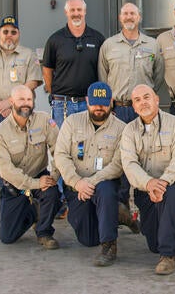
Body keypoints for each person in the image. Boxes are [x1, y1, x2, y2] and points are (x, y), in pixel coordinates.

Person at [54, 82, 138, 267]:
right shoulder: (71, 122)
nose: (99, 107)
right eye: (94, 103)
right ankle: (117, 214)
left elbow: (117, 165)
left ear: (111, 102)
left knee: (107, 191)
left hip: (102, 184)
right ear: (87, 101)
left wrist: (89, 183)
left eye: (103, 103)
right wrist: (77, 183)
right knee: (88, 239)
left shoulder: (122, 129)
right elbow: (60, 155)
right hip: (76, 187)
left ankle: (109, 246)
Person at [120, 84, 175, 275]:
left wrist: (162, 182)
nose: (143, 103)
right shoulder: (129, 131)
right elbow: (129, 164)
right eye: (137, 100)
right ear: (133, 107)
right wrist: (148, 183)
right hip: (146, 189)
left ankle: (168, 256)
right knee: (154, 243)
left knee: (169, 195)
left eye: (146, 97)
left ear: (156, 99)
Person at [0, 15, 42, 186]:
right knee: (1, 162)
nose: (9, 35)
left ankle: (26, 203)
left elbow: (33, 81)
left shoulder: (28, 55)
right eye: (6, 32)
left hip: (22, 118)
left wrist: (9, 102)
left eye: (13, 32)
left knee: (26, 161)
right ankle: (7, 202)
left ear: (18, 34)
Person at [0, 85, 61, 249]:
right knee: (8, 237)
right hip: (15, 186)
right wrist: (35, 184)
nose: (26, 103)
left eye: (29, 99)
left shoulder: (44, 120)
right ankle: (33, 212)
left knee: (52, 193)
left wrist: (54, 178)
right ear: (11, 102)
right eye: (21, 99)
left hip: (39, 175)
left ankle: (44, 233)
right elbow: (6, 171)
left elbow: (59, 151)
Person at [42, 0, 105, 126]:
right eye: (72, 10)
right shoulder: (55, 40)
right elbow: (47, 70)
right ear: (66, 13)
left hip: (90, 103)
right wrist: (54, 94)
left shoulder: (97, 39)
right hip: (62, 105)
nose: (76, 13)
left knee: (88, 144)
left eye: (79, 10)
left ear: (85, 12)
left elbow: (104, 69)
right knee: (63, 144)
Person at [98, 2, 164, 124]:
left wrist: (147, 94)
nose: (129, 17)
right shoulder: (108, 45)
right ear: (120, 18)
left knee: (144, 142)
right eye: (125, 14)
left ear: (139, 17)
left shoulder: (152, 45)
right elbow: (103, 75)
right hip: (117, 109)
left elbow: (158, 75)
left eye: (133, 13)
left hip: (143, 107)